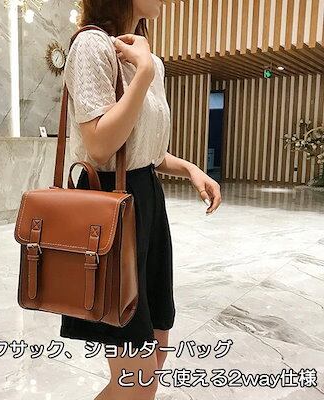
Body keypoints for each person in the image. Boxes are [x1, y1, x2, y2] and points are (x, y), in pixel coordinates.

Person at [60, 1, 222, 399]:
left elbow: (144, 150)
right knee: (136, 379)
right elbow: (101, 145)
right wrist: (143, 74)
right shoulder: (92, 45)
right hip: (109, 205)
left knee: (154, 355)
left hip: (146, 200)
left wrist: (190, 169)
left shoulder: (148, 58)